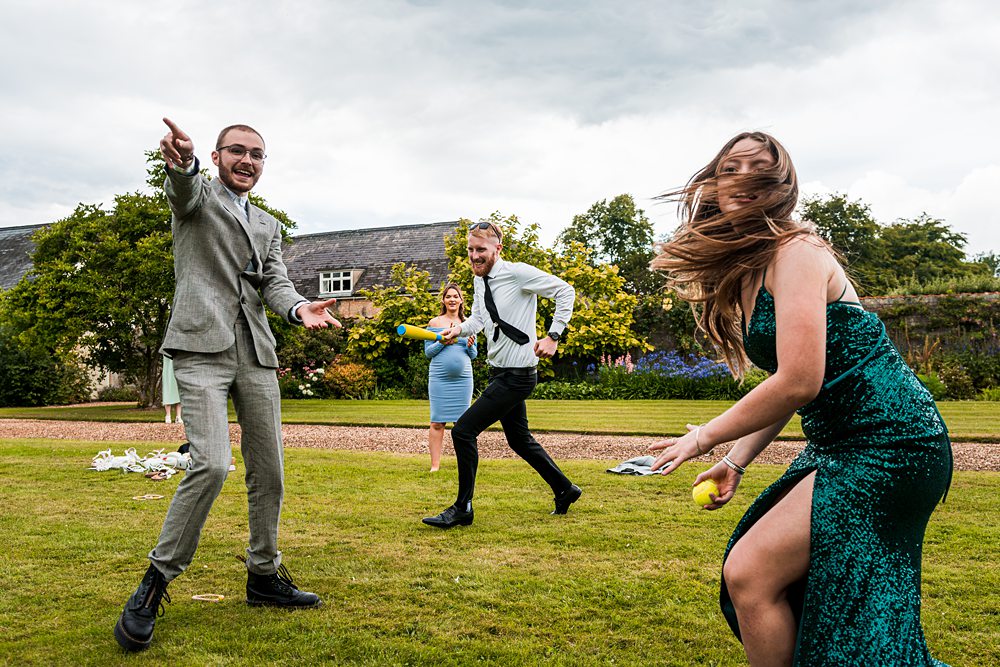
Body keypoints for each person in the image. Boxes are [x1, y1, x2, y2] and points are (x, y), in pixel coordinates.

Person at [648, 132, 952, 666]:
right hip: (840, 446)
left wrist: (701, 438)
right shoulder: (747, 267)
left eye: (757, 169)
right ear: (714, 183)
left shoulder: (797, 252)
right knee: (794, 591)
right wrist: (735, 460)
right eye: (730, 167)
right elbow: (791, 387)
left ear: (780, 186)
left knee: (751, 574)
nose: (742, 177)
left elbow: (797, 382)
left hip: (894, 442)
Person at [114, 118, 341, 653]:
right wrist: (183, 163)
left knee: (271, 471)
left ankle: (264, 576)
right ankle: (155, 582)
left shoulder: (267, 224)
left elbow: (275, 281)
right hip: (200, 348)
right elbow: (182, 188)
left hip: (256, 352)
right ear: (217, 158)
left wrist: (299, 307)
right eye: (237, 151)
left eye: (258, 155)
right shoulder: (196, 202)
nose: (248, 161)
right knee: (212, 463)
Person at [422, 221, 581, 528]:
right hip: (500, 372)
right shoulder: (479, 280)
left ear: (498, 249)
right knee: (519, 440)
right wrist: (455, 331)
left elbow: (566, 291)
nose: (474, 255)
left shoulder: (517, 273)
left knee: (463, 430)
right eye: (470, 249)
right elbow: (479, 320)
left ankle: (463, 508)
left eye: (481, 249)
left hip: (518, 375)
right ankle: (565, 489)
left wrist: (554, 336)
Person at [424, 284, 478, 472]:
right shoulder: (434, 323)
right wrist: (443, 342)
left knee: (462, 424)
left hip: (463, 380)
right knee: (437, 422)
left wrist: (470, 346)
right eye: (449, 296)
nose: (452, 299)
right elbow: (428, 353)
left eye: (456, 296)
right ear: (443, 300)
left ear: (461, 300)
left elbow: (473, 355)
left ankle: (464, 465)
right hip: (439, 378)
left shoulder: (469, 324)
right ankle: (435, 466)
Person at [161, 355, 182, 424]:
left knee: (178, 392)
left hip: (178, 370)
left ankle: (178, 416)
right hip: (168, 372)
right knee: (168, 391)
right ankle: (168, 415)